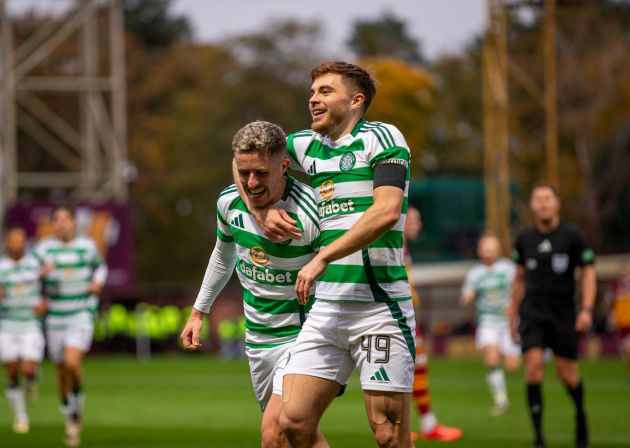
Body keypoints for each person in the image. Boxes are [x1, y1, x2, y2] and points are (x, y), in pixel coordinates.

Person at [238, 61, 416, 448]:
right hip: (326, 310)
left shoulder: (383, 138)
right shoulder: (305, 144)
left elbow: (385, 211)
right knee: (293, 423)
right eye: (313, 92)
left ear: (356, 100)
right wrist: (260, 209)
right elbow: (246, 155)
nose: (313, 99)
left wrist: (322, 257)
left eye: (325, 91)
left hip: (378, 308)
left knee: (388, 433)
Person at [180, 121, 324, 448]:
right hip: (259, 341)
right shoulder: (229, 203)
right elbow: (222, 255)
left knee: (273, 433)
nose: (251, 182)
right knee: (298, 438)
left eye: (260, 173)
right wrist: (198, 313)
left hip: (305, 336)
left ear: (284, 166)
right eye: (244, 173)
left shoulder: (310, 211)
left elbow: (338, 263)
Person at [508, 183, 596, 448]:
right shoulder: (524, 239)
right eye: (538, 199)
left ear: (557, 203)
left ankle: (580, 415)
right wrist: (513, 314)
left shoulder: (572, 236)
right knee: (533, 371)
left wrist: (587, 309)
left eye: (548, 198)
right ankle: (538, 439)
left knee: (567, 374)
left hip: (563, 313)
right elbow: (519, 280)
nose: (543, 203)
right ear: (532, 206)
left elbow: (588, 272)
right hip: (532, 312)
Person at [33, 205, 108, 447]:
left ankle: (76, 412)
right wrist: (40, 279)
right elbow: (27, 276)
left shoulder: (86, 246)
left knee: (72, 362)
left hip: (80, 313)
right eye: (58, 220)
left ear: (74, 224)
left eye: (67, 219)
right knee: (62, 372)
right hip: (55, 317)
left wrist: (97, 282)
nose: (63, 224)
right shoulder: (43, 249)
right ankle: (71, 418)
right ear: (52, 225)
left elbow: (101, 267)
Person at [404, 207, 462, 441]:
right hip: (395, 315)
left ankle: (428, 425)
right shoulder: (393, 242)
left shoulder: (404, 246)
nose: (418, 225)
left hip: (407, 314)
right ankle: (403, 426)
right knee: (401, 369)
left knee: (418, 367)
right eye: (415, 220)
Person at [460, 232, 520, 416]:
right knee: (491, 359)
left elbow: (519, 289)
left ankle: (510, 351)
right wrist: (467, 297)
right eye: (484, 247)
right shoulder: (475, 273)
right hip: (487, 321)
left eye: (491, 247)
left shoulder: (508, 268)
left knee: (512, 367)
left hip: (509, 321)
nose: (488, 251)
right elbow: (466, 295)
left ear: (498, 249)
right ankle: (501, 400)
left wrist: (514, 309)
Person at [0, 227, 47, 434]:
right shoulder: (1, 267)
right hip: (7, 324)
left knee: (27, 368)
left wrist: (45, 303)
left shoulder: (34, 264)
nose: (17, 244)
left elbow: (50, 284)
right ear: (7, 244)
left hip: (30, 324)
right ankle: (20, 415)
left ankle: (32, 379)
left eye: (21, 240)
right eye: (13, 241)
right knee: (11, 370)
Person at [605, 260, 630, 375]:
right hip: (621, 323)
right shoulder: (615, 285)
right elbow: (609, 301)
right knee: (624, 350)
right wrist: (612, 315)